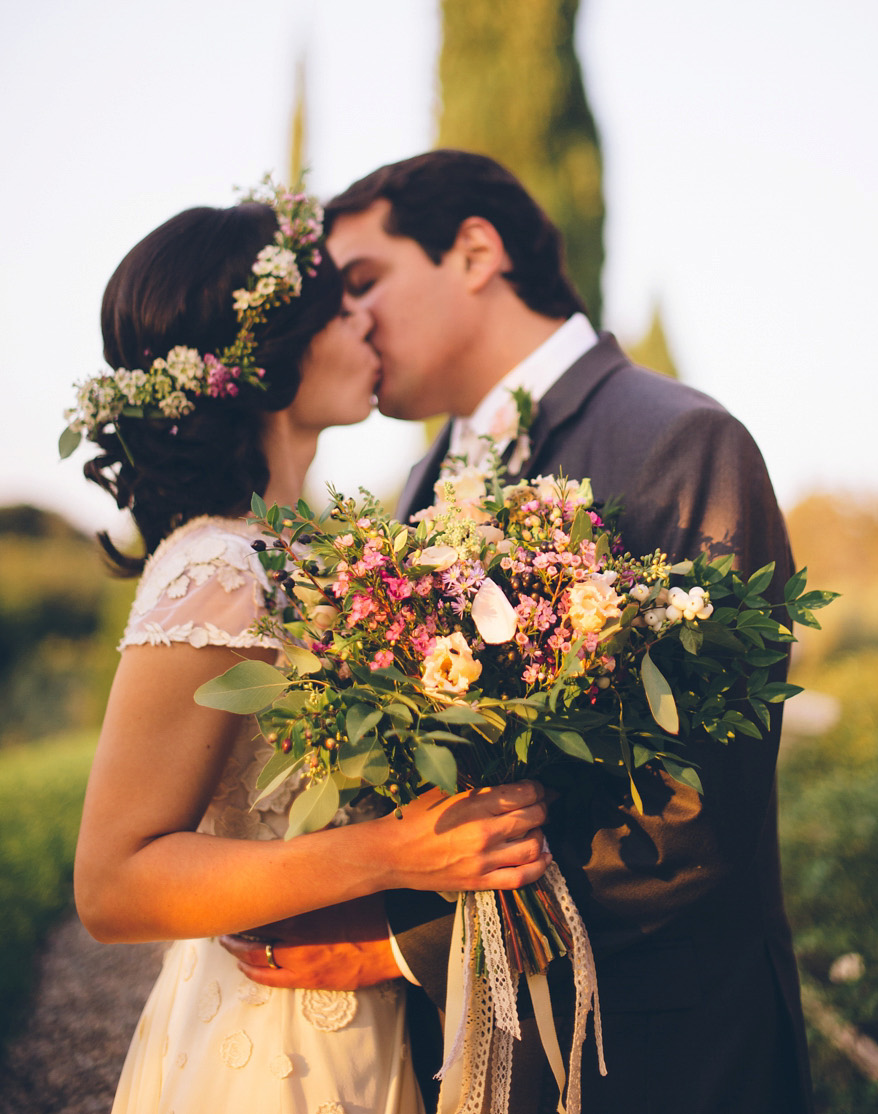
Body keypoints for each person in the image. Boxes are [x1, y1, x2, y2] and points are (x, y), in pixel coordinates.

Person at [225, 151, 814, 1114]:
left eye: (364, 280)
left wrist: (392, 941)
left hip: (658, 1056)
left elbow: (692, 817)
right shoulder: (417, 492)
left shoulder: (678, 441)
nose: (349, 319)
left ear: (474, 250)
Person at [68, 180, 550, 1114]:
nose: (370, 322)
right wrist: (393, 853)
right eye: (341, 305)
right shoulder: (215, 568)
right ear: (264, 357)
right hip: (268, 1046)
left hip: (373, 1023)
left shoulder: (308, 557)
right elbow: (112, 883)